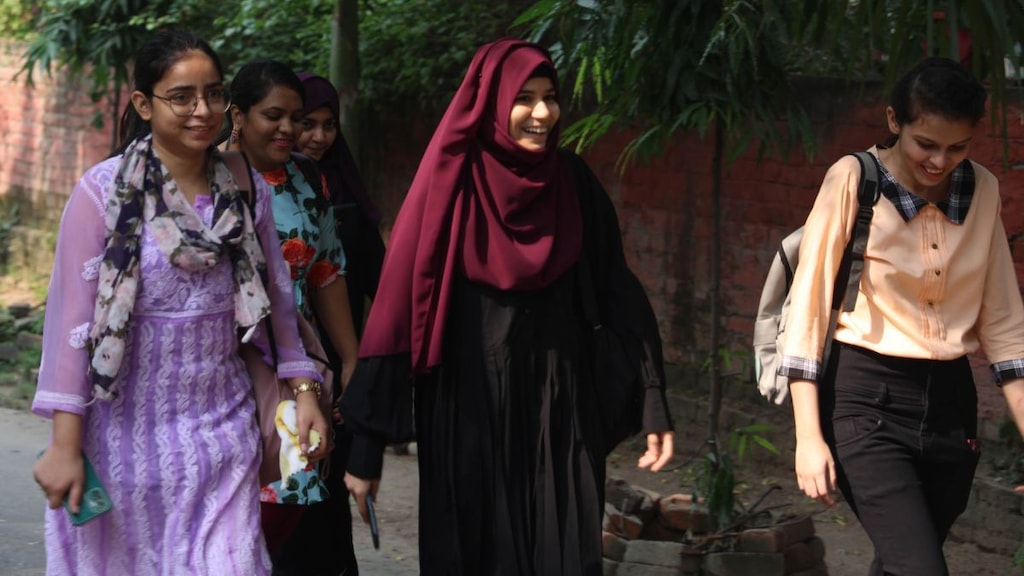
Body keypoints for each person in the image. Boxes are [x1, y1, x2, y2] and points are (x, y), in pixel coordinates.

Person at [339, 38, 675, 576]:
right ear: (490, 102)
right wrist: (367, 445)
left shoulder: (573, 184)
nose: (543, 113)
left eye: (550, 97)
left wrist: (653, 395)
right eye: (525, 98)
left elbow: (617, 290)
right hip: (465, 409)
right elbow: (399, 307)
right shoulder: (450, 185)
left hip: (559, 409)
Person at [30, 30, 328, 575]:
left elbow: (279, 300)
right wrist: (64, 445)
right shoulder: (101, 194)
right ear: (144, 104)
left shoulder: (245, 189)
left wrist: (304, 390)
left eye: (213, 94)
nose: (202, 110)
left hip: (222, 437)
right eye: (182, 97)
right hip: (123, 446)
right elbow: (73, 329)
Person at [782, 56, 1024, 575]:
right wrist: (807, 437)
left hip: (952, 409)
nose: (940, 161)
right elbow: (808, 308)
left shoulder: (981, 190)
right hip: (866, 398)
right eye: (926, 144)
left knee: (903, 564)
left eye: (957, 147)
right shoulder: (854, 179)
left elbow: (1004, 322)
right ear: (895, 121)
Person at [226, 60, 361, 572]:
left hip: (294, 367)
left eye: (296, 117)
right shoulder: (211, 176)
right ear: (238, 116)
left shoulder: (307, 178)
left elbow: (327, 269)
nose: (289, 129)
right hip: (227, 366)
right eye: (273, 116)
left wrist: (349, 357)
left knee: (288, 495)